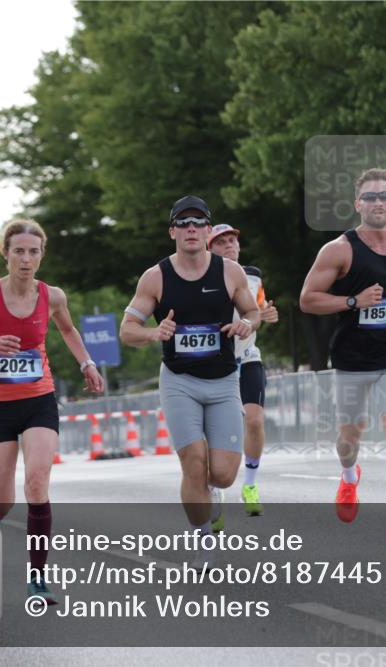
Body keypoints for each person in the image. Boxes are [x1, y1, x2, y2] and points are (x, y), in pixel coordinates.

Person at [0, 219, 103, 605]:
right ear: (5, 254)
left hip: (39, 399)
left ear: (42, 256)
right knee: (1, 504)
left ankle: (37, 577)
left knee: (37, 481)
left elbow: (69, 331)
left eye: (33, 252)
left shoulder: (52, 296)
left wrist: (86, 363)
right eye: (19, 251)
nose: (26, 259)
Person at [300, 167, 386, 555]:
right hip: (352, 357)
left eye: (385, 196)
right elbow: (308, 299)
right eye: (371, 197)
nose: (379, 203)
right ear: (358, 204)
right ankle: (349, 474)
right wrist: (353, 302)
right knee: (350, 436)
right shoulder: (339, 250)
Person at [120, 196, 259, 564]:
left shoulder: (230, 272)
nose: (191, 228)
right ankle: (202, 539)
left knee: (225, 475)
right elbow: (127, 329)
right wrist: (155, 333)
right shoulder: (156, 276)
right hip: (179, 381)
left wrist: (248, 322)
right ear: (173, 232)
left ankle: (214, 494)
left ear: (209, 231)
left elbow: (252, 311)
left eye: (199, 222)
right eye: (184, 223)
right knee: (194, 462)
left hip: (224, 380)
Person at [207, 223, 279, 516]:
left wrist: (266, 314)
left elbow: (259, 308)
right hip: (215, 363)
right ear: (209, 248)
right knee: (216, 432)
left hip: (247, 355)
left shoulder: (252, 276)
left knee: (254, 420)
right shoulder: (203, 276)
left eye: (233, 240)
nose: (230, 245)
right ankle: (213, 488)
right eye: (222, 242)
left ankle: (249, 484)